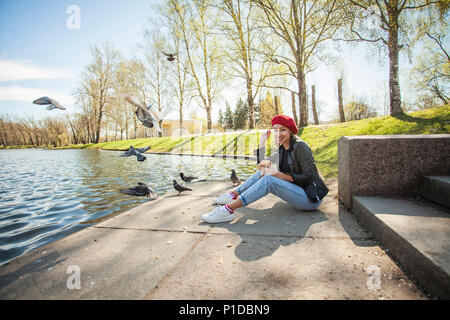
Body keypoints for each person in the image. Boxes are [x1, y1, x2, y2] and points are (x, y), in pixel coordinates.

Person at [201, 114, 329, 223]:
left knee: (269, 179)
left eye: (283, 129)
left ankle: (226, 210)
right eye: (275, 130)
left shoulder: (301, 147)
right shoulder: (282, 149)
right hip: (297, 191)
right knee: (262, 173)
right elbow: (262, 166)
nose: (278, 133)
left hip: (310, 198)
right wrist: (262, 143)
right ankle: (232, 195)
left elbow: (308, 177)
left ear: (290, 131)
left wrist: (278, 175)